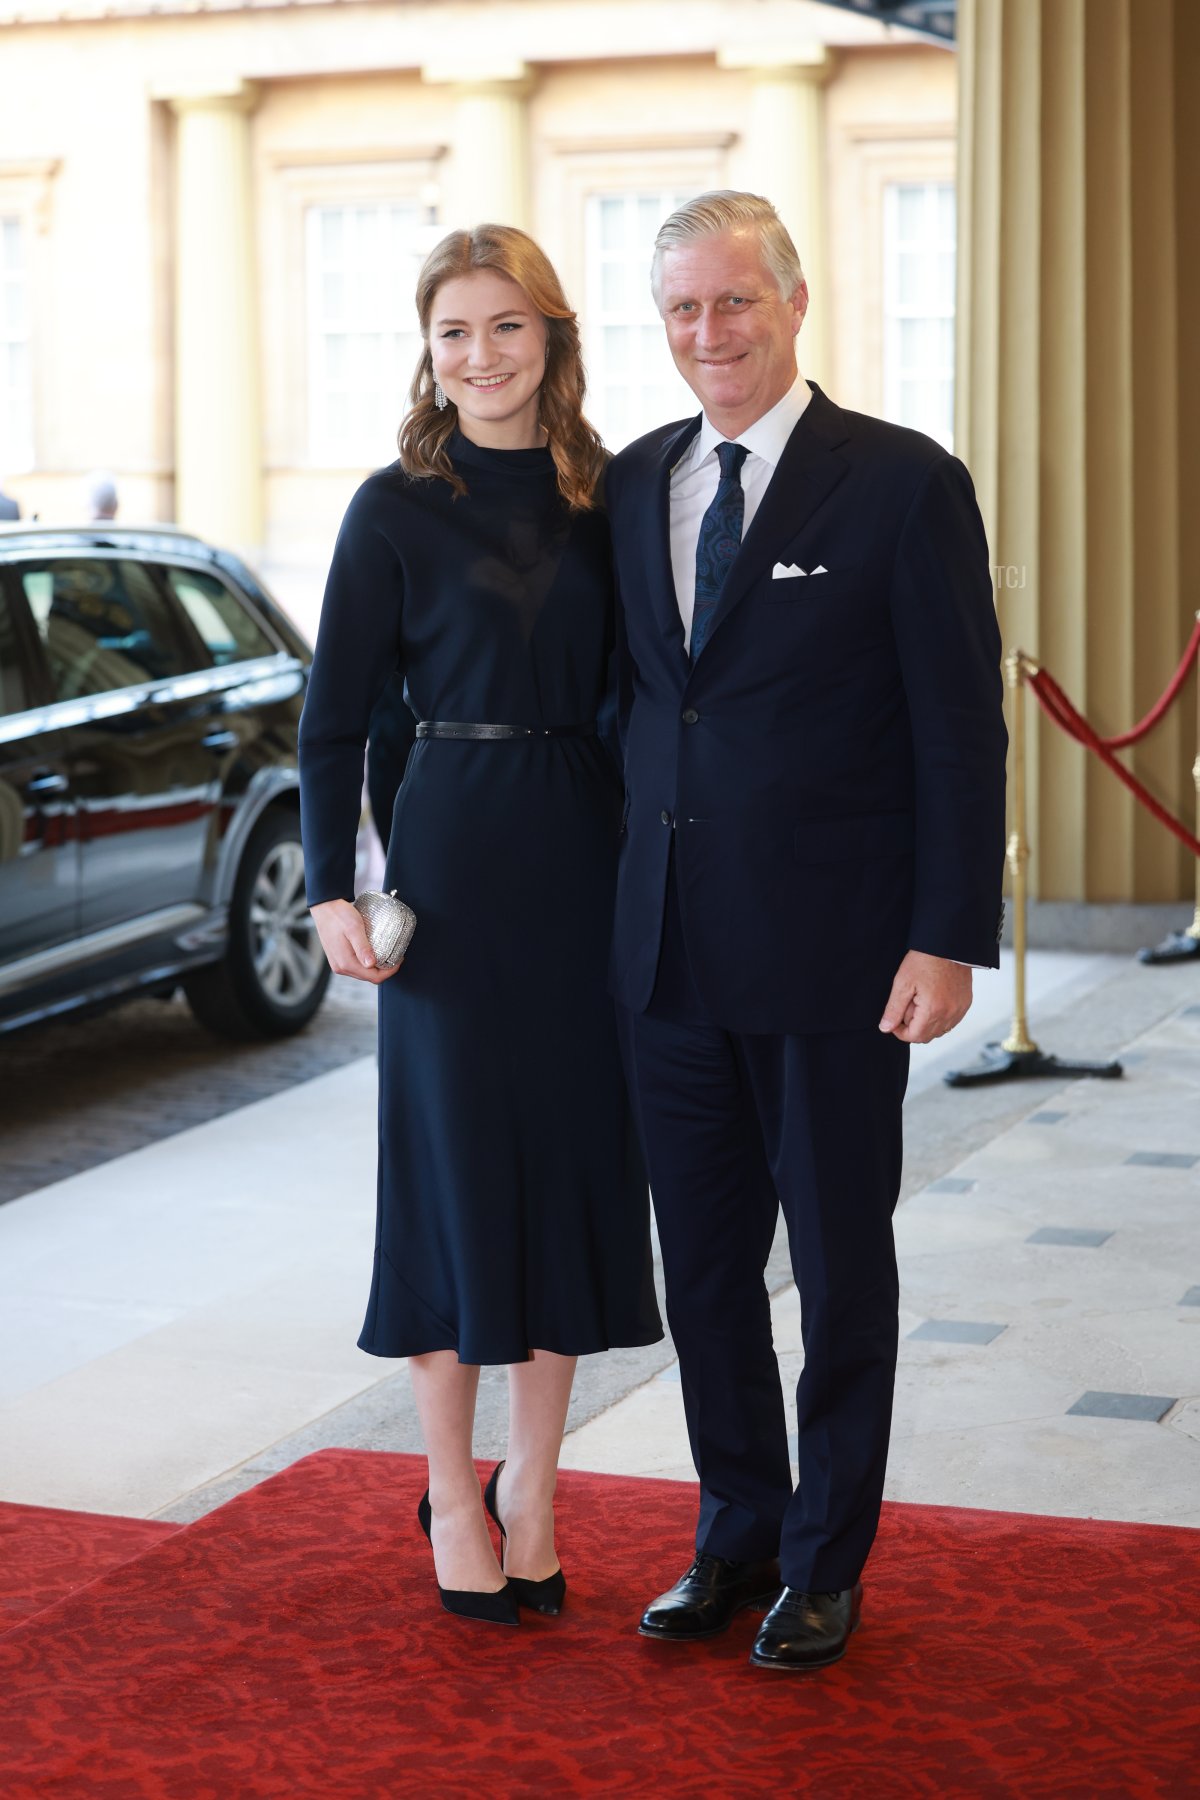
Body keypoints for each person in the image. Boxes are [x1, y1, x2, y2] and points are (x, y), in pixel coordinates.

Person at [605, 191, 1007, 1672]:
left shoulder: (902, 484)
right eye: (684, 310)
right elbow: (638, 707)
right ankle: (735, 1534)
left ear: (795, 301)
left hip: (840, 957)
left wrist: (947, 933)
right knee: (703, 1275)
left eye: (734, 303)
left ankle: (828, 1559)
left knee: (839, 1269)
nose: (710, 334)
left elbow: (959, 730)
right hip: (664, 958)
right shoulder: (638, 480)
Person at [298, 224, 662, 1628]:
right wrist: (334, 883)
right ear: (427, 348)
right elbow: (333, 722)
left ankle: (537, 1487)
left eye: (507, 327)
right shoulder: (393, 507)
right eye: (455, 331)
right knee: (449, 1176)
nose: (481, 355)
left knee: (571, 1170)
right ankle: (449, 1486)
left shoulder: (609, 497)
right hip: (445, 877)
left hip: (584, 855)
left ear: (554, 341)